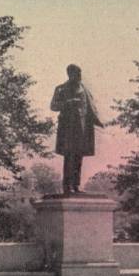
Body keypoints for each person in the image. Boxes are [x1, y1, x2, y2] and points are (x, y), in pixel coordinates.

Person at [50, 64, 104, 194]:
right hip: (68, 128)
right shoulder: (61, 89)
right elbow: (53, 106)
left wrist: (98, 120)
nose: (80, 76)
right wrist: (67, 103)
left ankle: (76, 185)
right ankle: (67, 186)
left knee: (79, 156)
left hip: (83, 128)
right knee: (69, 156)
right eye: (77, 74)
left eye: (80, 74)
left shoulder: (84, 89)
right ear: (70, 74)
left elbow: (90, 107)